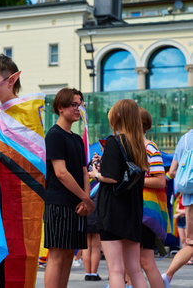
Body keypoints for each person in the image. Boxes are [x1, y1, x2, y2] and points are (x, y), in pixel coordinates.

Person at [0, 53, 46, 287]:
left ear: (12, 79)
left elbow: (36, 164)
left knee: (21, 252)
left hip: (22, 201)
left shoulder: (29, 114)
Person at [89, 99, 148, 288]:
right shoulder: (139, 144)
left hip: (113, 211)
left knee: (116, 269)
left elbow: (111, 178)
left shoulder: (115, 142)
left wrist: (96, 174)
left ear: (119, 117)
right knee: (135, 269)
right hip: (133, 210)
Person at [44, 88, 94, 288]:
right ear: (60, 108)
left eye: (80, 103)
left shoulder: (75, 138)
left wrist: (86, 199)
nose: (78, 108)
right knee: (56, 255)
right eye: (74, 104)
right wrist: (86, 198)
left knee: (67, 254)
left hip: (76, 204)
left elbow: (84, 172)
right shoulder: (54, 135)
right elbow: (61, 173)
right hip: (58, 202)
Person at [138, 107, 166, 288]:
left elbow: (161, 181)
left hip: (145, 213)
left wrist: (134, 179)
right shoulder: (136, 147)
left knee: (145, 261)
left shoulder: (149, 147)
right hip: (136, 211)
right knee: (132, 262)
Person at [162, 128, 193, 287]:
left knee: (190, 244)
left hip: (189, 199)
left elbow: (173, 171)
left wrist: (163, 181)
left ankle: (167, 275)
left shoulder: (185, 139)